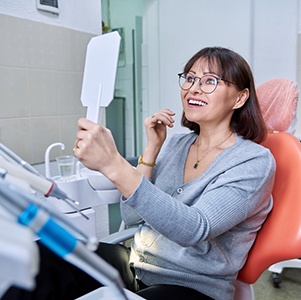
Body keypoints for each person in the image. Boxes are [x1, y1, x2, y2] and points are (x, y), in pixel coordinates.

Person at [3, 47, 275, 300]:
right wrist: (152, 149)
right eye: (190, 78)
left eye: (209, 81)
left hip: (192, 286)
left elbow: (195, 228)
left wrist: (113, 163)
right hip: (137, 265)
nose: (194, 88)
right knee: (39, 258)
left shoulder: (254, 161)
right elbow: (131, 215)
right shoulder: (177, 144)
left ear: (240, 97)